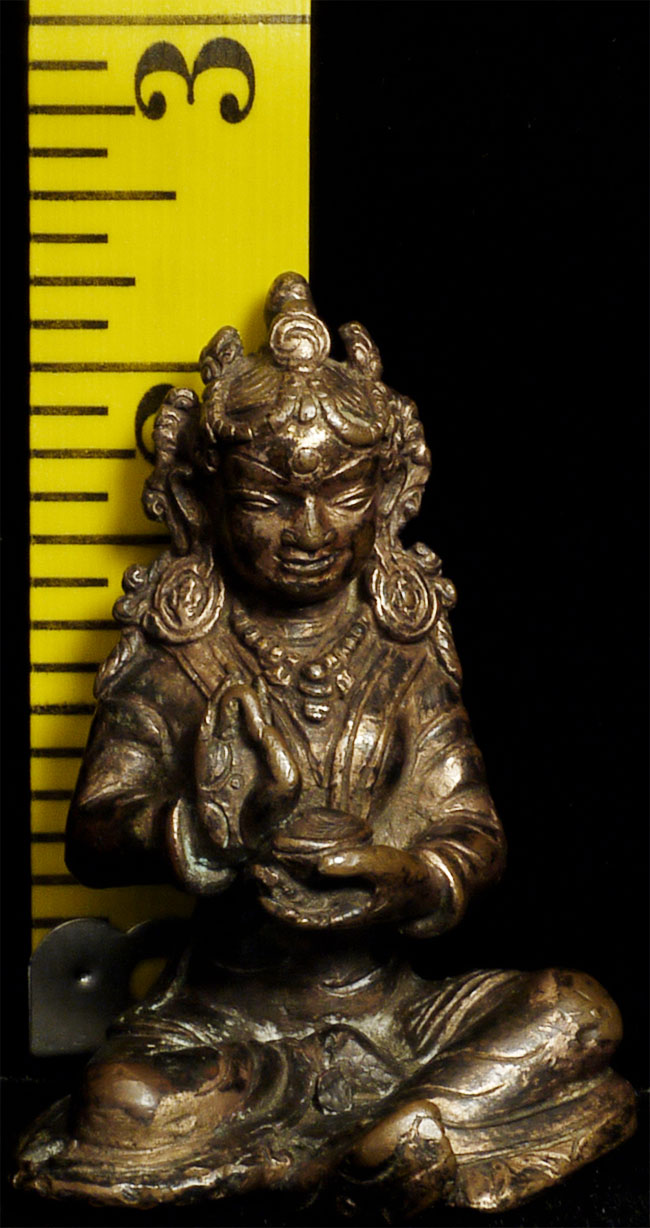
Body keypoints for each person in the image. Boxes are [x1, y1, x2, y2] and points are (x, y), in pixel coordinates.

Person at [16, 274, 635, 1220]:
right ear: (203, 500)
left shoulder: (400, 651)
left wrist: (410, 878)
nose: (308, 531)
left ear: (386, 495)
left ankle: (392, 1130)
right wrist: (206, 828)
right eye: (268, 500)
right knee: (122, 1101)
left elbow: (474, 832)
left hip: (392, 1012)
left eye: (341, 495)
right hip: (226, 1022)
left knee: (577, 1009)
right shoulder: (182, 656)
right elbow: (94, 834)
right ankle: (392, 1146)